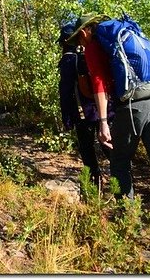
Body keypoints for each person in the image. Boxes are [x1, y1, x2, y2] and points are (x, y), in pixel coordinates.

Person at [66, 13, 150, 250]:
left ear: (85, 31)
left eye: (78, 38)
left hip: (133, 105)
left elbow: (98, 85)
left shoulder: (94, 45)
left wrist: (103, 122)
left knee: (119, 161)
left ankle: (127, 222)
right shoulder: (124, 33)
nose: (79, 43)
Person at [57, 21, 112, 189]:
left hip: (83, 113)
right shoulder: (92, 54)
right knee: (109, 146)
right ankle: (123, 181)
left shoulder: (68, 60)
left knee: (87, 149)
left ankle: (95, 186)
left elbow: (65, 90)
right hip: (104, 110)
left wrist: (66, 117)